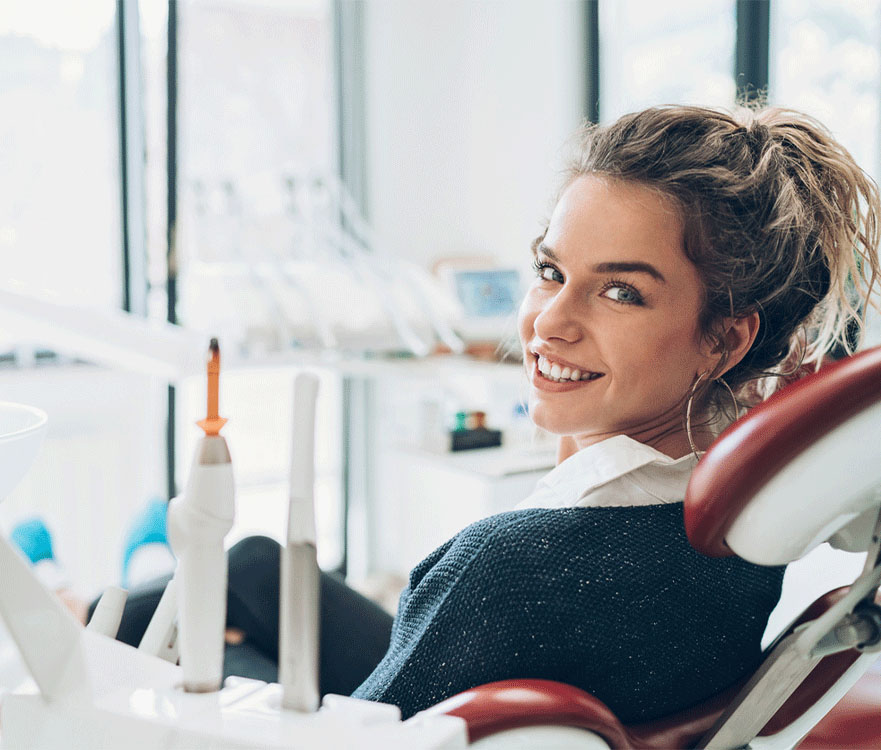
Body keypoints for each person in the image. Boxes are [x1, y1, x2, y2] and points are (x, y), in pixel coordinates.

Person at [94, 104, 880, 722]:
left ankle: (72, 639)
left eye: (620, 291)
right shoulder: (743, 509)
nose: (547, 322)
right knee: (259, 564)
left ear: (725, 337)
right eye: (549, 270)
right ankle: (81, 614)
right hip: (520, 669)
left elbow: (372, 726)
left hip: (405, 719)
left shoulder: (505, 568)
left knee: (170, 654)